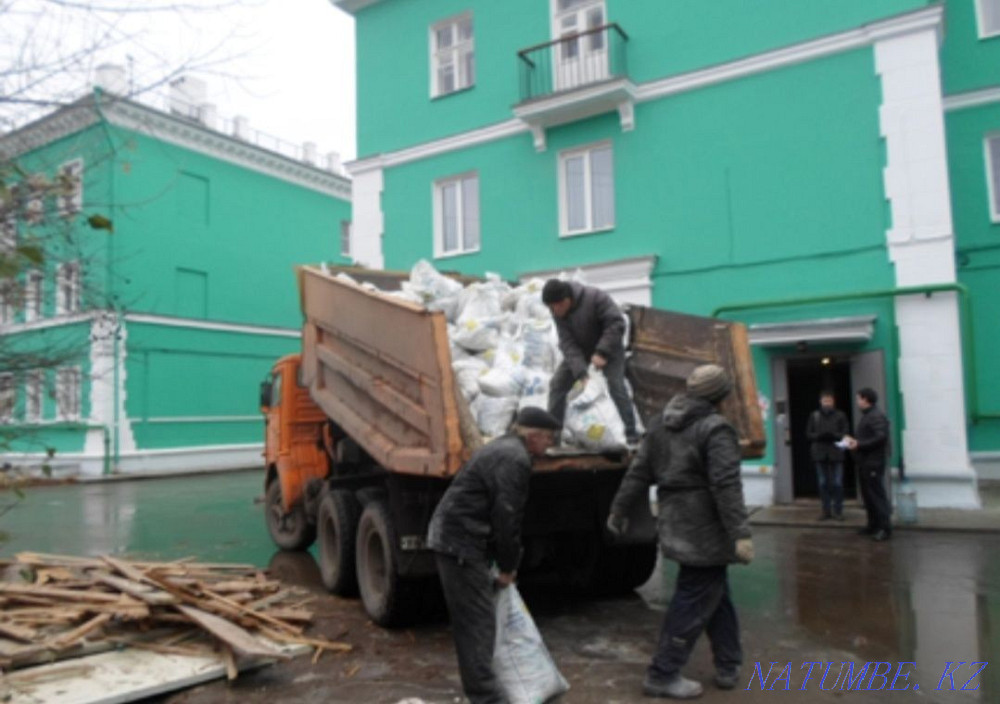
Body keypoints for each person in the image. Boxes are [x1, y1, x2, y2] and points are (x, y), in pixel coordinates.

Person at [606, 365, 753, 699]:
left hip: (674, 519)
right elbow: (726, 485)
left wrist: (618, 509)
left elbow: (638, 472)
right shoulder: (716, 429)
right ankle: (663, 673)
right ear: (721, 396)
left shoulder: (659, 424)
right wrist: (740, 533)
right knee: (695, 596)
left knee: (716, 592)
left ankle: (728, 663)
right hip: (705, 527)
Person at [427, 406, 561, 704]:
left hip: (463, 539)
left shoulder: (506, 448)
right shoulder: (515, 459)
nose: (550, 445)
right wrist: (508, 566)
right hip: (458, 543)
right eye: (549, 439)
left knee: (479, 620)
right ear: (534, 435)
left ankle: (486, 689)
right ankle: (486, 697)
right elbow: (507, 516)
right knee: (477, 623)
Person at [541, 279, 638, 444]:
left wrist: (602, 352)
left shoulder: (595, 298)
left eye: (556, 307)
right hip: (582, 351)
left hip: (610, 349)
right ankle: (553, 435)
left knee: (616, 386)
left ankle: (630, 435)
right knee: (557, 384)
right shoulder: (556, 311)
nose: (554, 312)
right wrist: (581, 373)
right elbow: (567, 343)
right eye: (551, 308)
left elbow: (616, 323)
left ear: (566, 300)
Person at [845, 388, 892, 542]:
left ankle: (884, 528)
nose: (857, 402)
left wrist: (858, 444)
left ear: (866, 400)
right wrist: (853, 441)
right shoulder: (868, 416)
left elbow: (880, 437)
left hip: (873, 462)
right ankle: (872, 525)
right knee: (868, 496)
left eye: (859, 398)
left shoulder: (876, 416)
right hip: (865, 462)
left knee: (876, 496)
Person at [806, 391, 849, 521]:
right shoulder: (814, 416)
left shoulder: (840, 415)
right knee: (823, 483)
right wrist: (819, 436)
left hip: (836, 452)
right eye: (825, 401)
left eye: (829, 401)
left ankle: (838, 510)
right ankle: (826, 511)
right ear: (820, 402)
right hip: (820, 453)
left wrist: (834, 435)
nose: (827, 404)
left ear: (833, 401)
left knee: (837, 483)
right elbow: (808, 433)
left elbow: (845, 433)